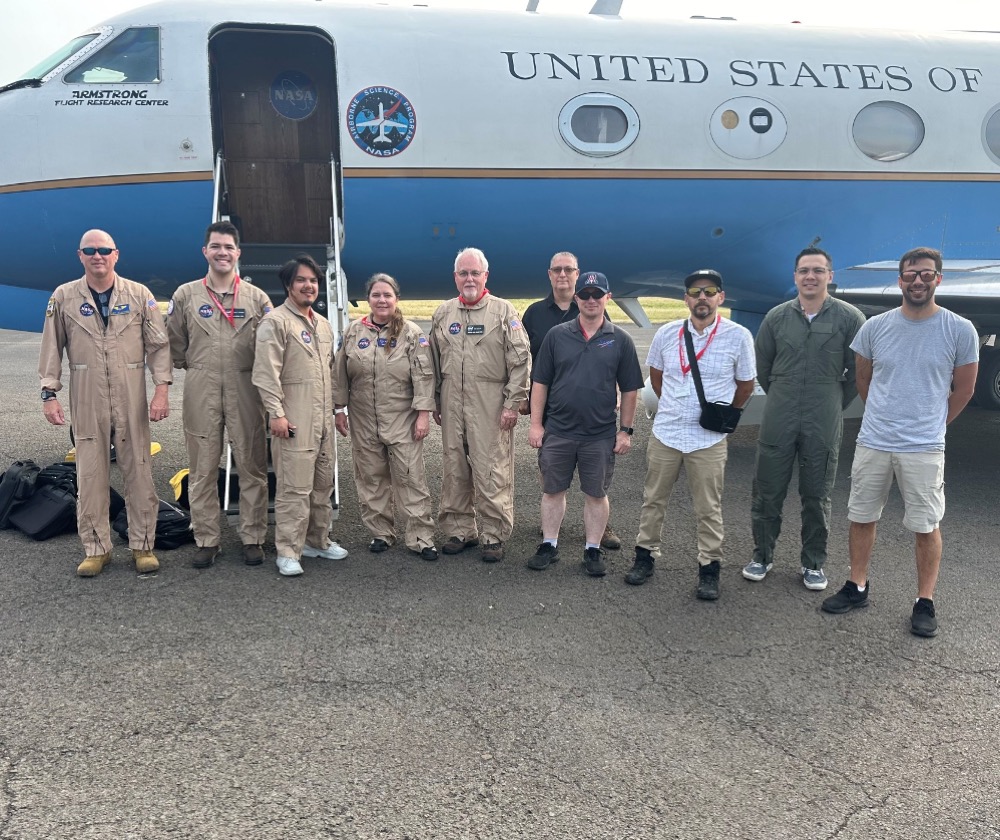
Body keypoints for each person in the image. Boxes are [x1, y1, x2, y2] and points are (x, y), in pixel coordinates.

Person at [822, 247, 978, 637]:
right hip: (875, 440)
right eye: (910, 274)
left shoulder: (959, 329)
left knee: (926, 525)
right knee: (861, 516)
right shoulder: (875, 327)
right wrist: (883, 416)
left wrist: (934, 424)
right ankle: (857, 585)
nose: (918, 281)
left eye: (926, 274)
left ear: (938, 279)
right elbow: (864, 380)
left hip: (924, 446)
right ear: (900, 280)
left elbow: (965, 388)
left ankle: (924, 601)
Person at [39, 229, 171, 577]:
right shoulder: (64, 297)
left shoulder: (140, 295)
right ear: (80, 255)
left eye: (104, 250)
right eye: (90, 250)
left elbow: (158, 346)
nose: (98, 256)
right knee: (90, 474)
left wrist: (161, 389)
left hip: (131, 396)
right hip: (87, 395)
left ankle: (143, 546)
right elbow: (51, 348)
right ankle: (97, 549)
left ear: (116, 255)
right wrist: (49, 393)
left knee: (140, 471)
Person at [625, 270, 756, 600]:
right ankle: (645, 556)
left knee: (708, 507)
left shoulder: (738, 336)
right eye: (695, 292)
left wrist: (726, 414)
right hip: (666, 433)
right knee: (653, 500)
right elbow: (657, 377)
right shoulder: (667, 334)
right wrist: (674, 405)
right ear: (686, 299)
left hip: (707, 439)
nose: (702, 298)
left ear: (720, 298)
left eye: (709, 291)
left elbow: (746, 385)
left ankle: (709, 567)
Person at [744, 247, 866, 591]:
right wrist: (784, 393)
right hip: (779, 414)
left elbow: (858, 373)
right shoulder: (776, 318)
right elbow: (763, 368)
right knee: (767, 491)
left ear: (831, 275)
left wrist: (829, 401)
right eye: (803, 271)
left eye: (817, 270)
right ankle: (762, 555)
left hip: (824, 415)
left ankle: (813, 562)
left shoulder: (849, 318)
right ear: (795, 276)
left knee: (817, 495)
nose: (810, 276)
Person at [167, 221, 273, 569]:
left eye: (228, 247)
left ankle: (253, 537)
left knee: (252, 466)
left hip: (246, 387)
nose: (222, 252)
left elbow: (270, 348)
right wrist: (197, 368)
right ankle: (207, 539)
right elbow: (175, 344)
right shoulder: (186, 295)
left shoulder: (257, 299)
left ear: (238, 253)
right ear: (205, 251)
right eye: (216, 246)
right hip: (202, 384)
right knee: (202, 468)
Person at [526, 271, 643, 576]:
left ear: (608, 298)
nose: (591, 300)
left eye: (597, 294)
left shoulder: (621, 340)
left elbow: (630, 389)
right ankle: (549, 544)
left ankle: (592, 549)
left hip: (599, 434)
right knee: (552, 491)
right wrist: (536, 425)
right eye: (585, 295)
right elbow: (540, 382)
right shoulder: (557, 336)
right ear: (576, 298)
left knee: (596, 494)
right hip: (559, 431)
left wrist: (626, 430)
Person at [429, 247, 531, 563]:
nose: (469, 278)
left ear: (486, 276)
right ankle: (461, 531)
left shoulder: (503, 312)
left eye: (475, 272)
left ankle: (493, 534)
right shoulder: (443, 313)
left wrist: (512, 404)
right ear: (455, 277)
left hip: (490, 402)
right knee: (454, 467)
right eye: (464, 273)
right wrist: (434, 400)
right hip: (452, 402)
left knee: (492, 469)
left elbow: (521, 360)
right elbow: (431, 360)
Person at [252, 255, 348, 576]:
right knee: (295, 488)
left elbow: (330, 372)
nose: (309, 286)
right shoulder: (275, 322)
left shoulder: (322, 324)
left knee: (322, 484)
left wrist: (337, 410)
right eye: (302, 281)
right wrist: (276, 414)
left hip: (322, 420)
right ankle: (288, 550)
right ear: (288, 286)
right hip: (294, 419)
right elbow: (266, 373)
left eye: (314, 281)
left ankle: (317, 541)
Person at [522, 251, 622, 551]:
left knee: (596, 479)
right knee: (552, 475)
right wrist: (524, 399)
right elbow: (521, 357)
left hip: (592, 411)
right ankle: (552, 526)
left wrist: (615, 389)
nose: (562, 275)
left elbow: (612, 354)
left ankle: (601, 530)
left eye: (568, 270)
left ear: (577, 275)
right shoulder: (534, 313)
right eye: (557, 270)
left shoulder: (593, 308)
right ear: (549, 274)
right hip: (552, 410)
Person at [333, 273, 437, 560]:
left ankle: (420, 537)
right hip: (364, 418)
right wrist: (339, 409)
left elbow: (424, 376)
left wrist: (423, 415)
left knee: (410, 479)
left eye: (387, 295)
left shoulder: (412, 333)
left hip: (402, 419)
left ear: (396, 299)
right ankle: (380, 533)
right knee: (371, 478)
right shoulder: (354, 332)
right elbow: (340, 373)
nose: (382, 300)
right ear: (368, 299)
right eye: (376, 295)